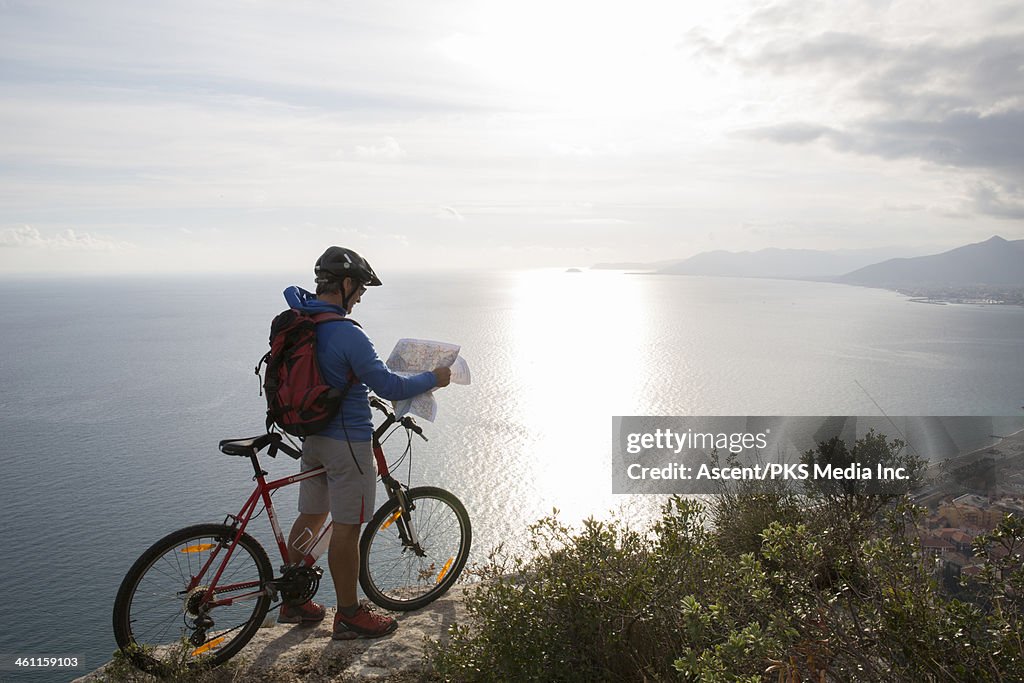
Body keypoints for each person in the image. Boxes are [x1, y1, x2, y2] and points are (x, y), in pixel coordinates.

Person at [277, 246, 451, 639]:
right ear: (347, 284)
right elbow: (389, 384)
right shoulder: (346, 333)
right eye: (359, 291)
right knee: (346, 528)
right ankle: (350, 614)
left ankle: (294, 599)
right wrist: (434, 378)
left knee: (311, 516)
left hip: (313, 438)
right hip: (349, 447)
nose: (358, 299)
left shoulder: (305, 322)